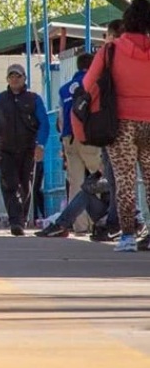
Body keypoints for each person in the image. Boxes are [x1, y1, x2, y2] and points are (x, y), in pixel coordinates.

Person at [79, 0, 150, 252]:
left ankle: (128, 236)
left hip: (120, 124)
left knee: (124, 181)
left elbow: (88, 84)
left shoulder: (111, 50)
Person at [0, 63, 50, 236]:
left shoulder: (34, 99)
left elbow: (44, 123)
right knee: (9, 184)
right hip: (5, 150)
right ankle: (15, 221)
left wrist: (40, 145)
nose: (14, 79)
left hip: (28, 149)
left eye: (18, 76)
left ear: (24, 78)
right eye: (11, 76)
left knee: (25, 185)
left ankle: (21, 218)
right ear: (7, 79)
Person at [59, 52, 103, 233]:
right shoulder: (93, 84)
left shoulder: (64, 89)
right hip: (89, 136)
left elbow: (61, 118)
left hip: (68, 137)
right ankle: (99, 221)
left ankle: (80, 225)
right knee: (99, 179)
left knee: (75, 181)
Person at [35, 171, 110, 238]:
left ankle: (61, 225)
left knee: (84, 195)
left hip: (112, 218)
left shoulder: (112, 179)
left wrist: (98, 173)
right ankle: (61, 225)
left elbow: (86, 186)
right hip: (106, 215)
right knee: (84, 195)